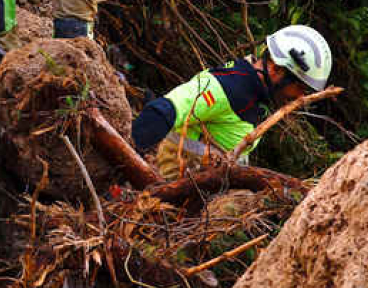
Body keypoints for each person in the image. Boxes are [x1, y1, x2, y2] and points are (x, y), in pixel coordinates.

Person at [132, 25, 332, 180]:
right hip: (177, 190)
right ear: (277, 70)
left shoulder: (256, 95)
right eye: (300, 88)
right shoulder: (227, 87)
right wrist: (131, 150)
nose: (300, 98)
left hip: (203, 190)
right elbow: (174, 106)